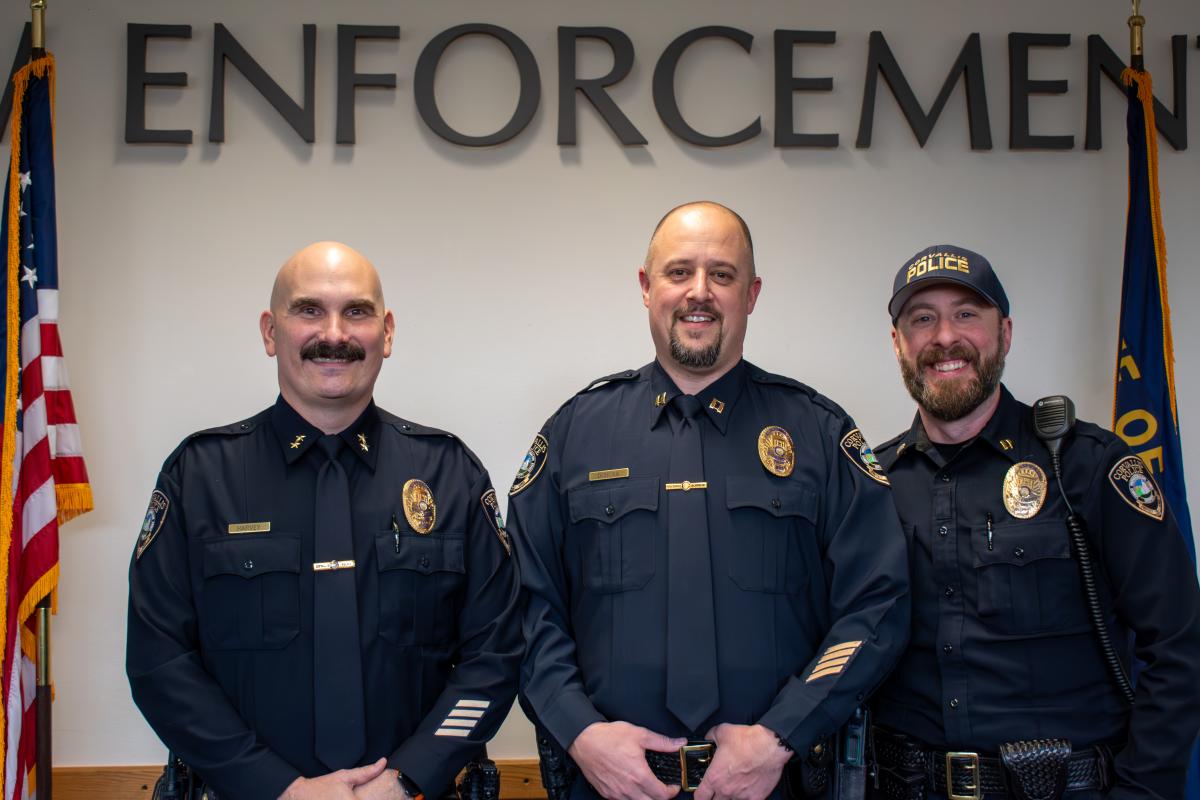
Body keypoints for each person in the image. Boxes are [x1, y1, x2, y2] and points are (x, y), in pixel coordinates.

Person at [508, 202, 910, 800]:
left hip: (777, 783)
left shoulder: (819, 435)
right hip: (609, 787)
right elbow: (525, 604)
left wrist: (783, 734)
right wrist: (581, 732)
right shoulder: (573, 435)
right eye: (679, 273)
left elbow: (876, 604)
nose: (700, 292)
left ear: (751, 293)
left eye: (722, 275)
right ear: (646, 288)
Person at [127, 242, 522, 800]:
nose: (333, 333)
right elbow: (158, 663)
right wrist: (276, 788)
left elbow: (496, 654)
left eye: (356, 311)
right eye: (308, 310)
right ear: (270, 332)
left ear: (386, 332)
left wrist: (410, 777)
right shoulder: (199, 477)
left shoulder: (449, 474)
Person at [870, 244, 1200, 799]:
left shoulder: (1089, 466)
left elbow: (1179, 646)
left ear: (1006, 332)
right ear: (898, 342)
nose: (945, 336)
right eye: (922, 318)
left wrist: (1143, 792)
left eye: (967, 314)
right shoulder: (873, 484)